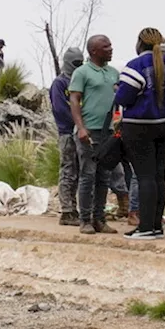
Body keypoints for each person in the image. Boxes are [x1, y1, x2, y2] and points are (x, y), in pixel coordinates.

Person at [115, 28, 165, 240]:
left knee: (144, 177)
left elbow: (124, 98)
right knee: (159, 176)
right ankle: (156, 226)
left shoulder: (135, 66)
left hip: (139, 126)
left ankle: (145, 228)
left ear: (140, 43)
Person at [68, 35, 121, 235]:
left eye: (110, 44)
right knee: (88, 175)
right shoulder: (82, 73)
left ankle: (100, 219)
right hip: (89, 131)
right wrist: (80, 127)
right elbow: (74, 100)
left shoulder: (114, 73)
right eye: (106, 46)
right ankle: (85, 220)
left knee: (103, 177)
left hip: (108, 131)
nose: (111, 48)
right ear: (94, 51)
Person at [49, 47, 85, 225]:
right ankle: (67, 211)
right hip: (67, 132)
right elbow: (60, 109)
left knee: (78, 172)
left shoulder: (81, 81)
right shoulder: (60, 83)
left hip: (82, 131)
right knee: (68, 170)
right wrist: (77, 123)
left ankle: (74, 207)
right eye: (76, 63)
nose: (79, 66)